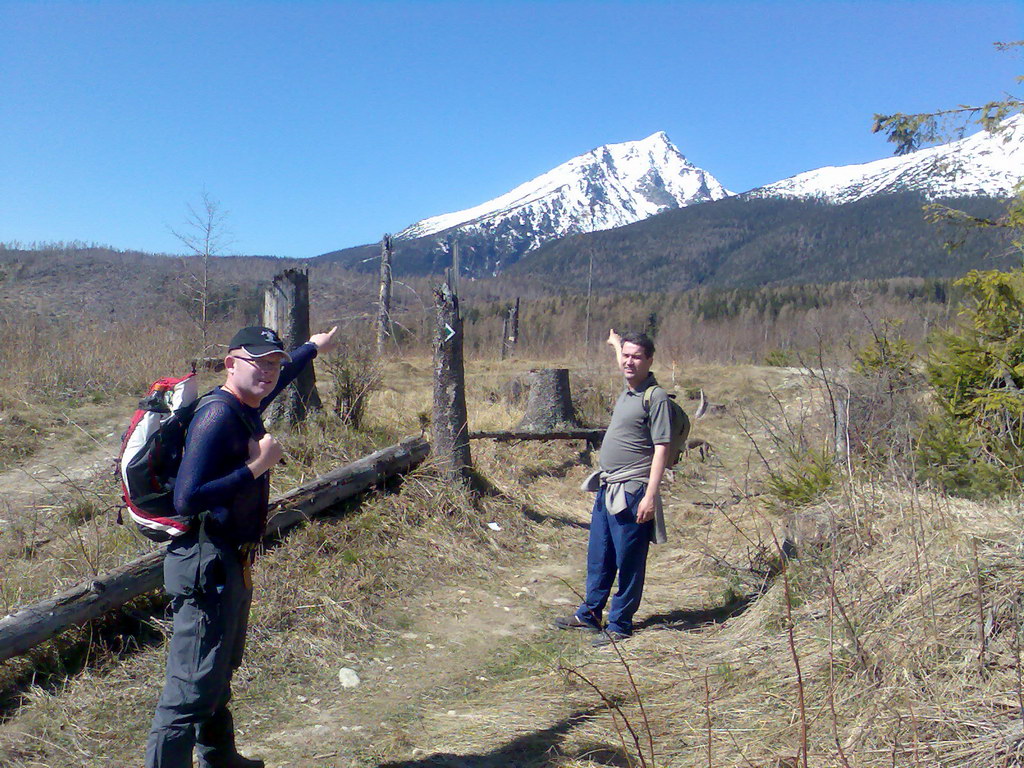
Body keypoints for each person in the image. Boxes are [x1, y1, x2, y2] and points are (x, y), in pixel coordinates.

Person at [145, 324, 338, 768]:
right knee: (190, 687)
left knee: (216, 672)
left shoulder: (247, 403)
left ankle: (219, 757)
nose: (269, 372)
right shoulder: (217, 415)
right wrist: (258, 466)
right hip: (204, 562)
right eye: (259, 362)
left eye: (274, 362)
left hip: (231, 559)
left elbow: (282, 380)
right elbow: (187, 498)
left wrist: (312, 349)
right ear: (231, 364)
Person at [554, 329, 671, 647]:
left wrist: (649, 495)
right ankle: (590, 614)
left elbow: (661, 447)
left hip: (633, 491)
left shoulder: (654, 397)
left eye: (637, 356)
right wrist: (615, 343)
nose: (629, 362)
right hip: (607, 487)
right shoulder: (630, 388)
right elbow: (623, 358)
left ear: (650, 360)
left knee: (629, 560)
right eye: (627, 356)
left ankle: (619, 624)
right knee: (600, 555)